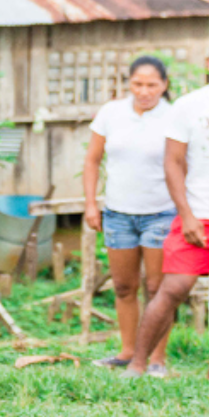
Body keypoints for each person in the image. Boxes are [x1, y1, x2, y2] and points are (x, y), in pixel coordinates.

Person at [125, 33, 209, 381]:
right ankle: (137, 365)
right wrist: (186, 214)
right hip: (199, 215)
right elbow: (172, 162)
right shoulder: (189, 106)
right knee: (173, 288)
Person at [83, 56, 175, 372]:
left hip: (161, 214)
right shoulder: (111, 113)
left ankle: (157, 358)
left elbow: (184, 164)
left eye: (151, 85)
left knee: (158, 289)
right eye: (137, 84)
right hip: (118, 214)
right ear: (129, 84)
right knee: (124, 287)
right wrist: (91, 203)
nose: (144, 91)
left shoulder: (174, 116)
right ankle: (127, 352)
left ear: (164, 85)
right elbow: (92, 160)